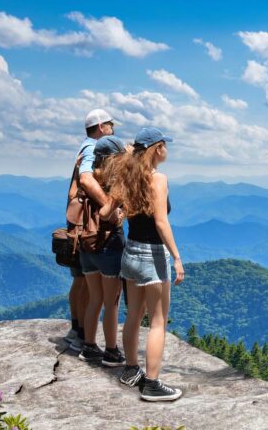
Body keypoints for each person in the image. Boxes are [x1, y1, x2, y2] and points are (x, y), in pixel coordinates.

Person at [111, 126, 185, 401]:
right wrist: (176, 257)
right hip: (152, 255)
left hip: (130, 252)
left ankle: (131, 369)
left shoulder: (127, 176)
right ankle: (152, 384)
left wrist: (120, 212)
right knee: (157, 322)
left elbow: (109, 212)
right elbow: (161, 222)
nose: (167, 150)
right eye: (165, 145)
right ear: (156, 149)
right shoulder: (158, 179)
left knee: (133, 315)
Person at [64, 108, 116, 351]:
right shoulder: (94, 148)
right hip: (89, 225)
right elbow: (86, 179)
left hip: (77, 222)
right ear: (100, 127)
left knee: (80, 278)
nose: (113, 129)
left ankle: (77, 329)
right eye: (110, 124)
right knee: (87, 281)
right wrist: (108, 204)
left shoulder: (83, 146)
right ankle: (83, 335)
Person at [76, 135, 128, 367]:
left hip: (86, 244)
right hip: (109, 245)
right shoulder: (113, 182)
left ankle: (88, 346)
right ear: (114, 158)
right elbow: (114, 217)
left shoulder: (87, 180)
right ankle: (111, 351)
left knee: (94, 299)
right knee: (111, 303)